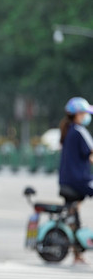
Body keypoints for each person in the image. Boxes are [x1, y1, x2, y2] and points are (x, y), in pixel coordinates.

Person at [58, 97, 93, 264]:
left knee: (73, 213)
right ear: (78, 114)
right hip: (80, 180)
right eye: (85, 113)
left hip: (67, 180)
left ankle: (77, 254)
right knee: (73, 210)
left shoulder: (68, 131)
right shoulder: (79, 131)